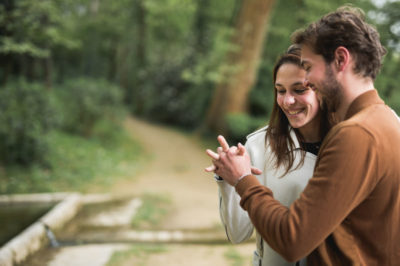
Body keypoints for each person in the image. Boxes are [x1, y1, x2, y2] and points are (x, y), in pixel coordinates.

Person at [207, 6, 400, 265]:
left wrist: (243, 179)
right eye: (280, 89)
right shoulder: (388, 122)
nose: (308, 79)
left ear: (341, 60)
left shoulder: (357, 134)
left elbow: (293, 239)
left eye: (308, 69)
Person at [205, 45, 333, 266]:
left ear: (323, 88)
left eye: (299, 90)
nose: (287, 101)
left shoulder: (353, 141)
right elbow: (237, 234)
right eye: (281, 90)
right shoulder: (259, 145)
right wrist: (228, 179)